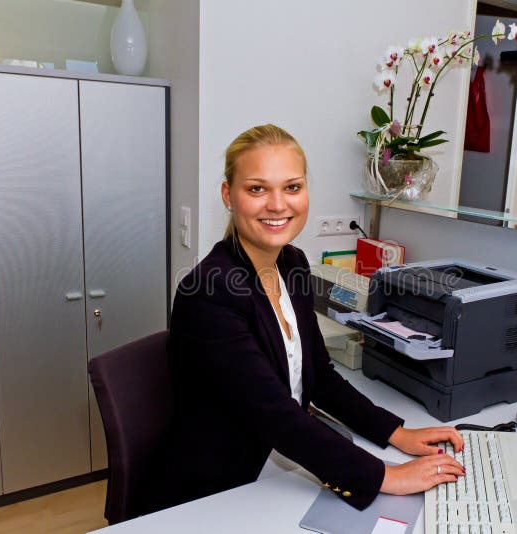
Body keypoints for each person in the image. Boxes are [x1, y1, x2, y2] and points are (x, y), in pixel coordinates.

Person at [160, 124, 465, 512]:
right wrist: (385, 476)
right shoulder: (209, 291)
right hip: (222, 485)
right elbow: (274, 414)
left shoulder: (292, 264)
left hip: (279, 457)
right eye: (257, 189)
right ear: (228, 195)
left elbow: (320, 377)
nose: (277, 204)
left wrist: (396, 432)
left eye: (292, 187)